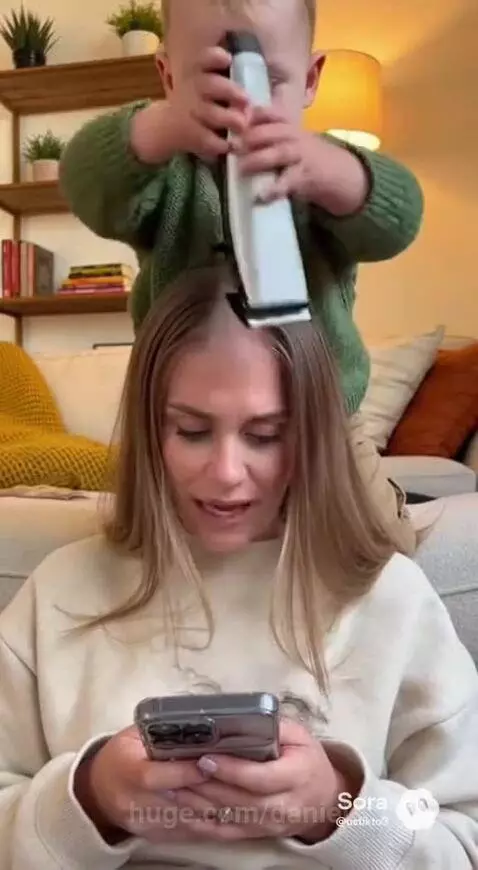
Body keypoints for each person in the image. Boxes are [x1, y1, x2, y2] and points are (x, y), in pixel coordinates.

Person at [0, 262, 476, 870]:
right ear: (152, 432)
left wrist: (336, 807)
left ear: (312, 436)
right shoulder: (61, 590)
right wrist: (92, 797)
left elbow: (460, 838)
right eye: (192, 431)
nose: (226, 473)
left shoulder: (391, 599)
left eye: (266, 434)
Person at [59, 0, 424, 557]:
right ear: (168, 75)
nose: (242, 104)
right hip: (186, 421)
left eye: (269, 80)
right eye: (215, 81)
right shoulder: (162, 178)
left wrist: (331, 172)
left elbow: (399, 221)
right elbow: (86, 181)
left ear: (309, 81)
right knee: (140, 548)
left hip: (322, 420)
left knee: (377, 549)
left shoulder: (320, 172)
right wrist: (159, 126)